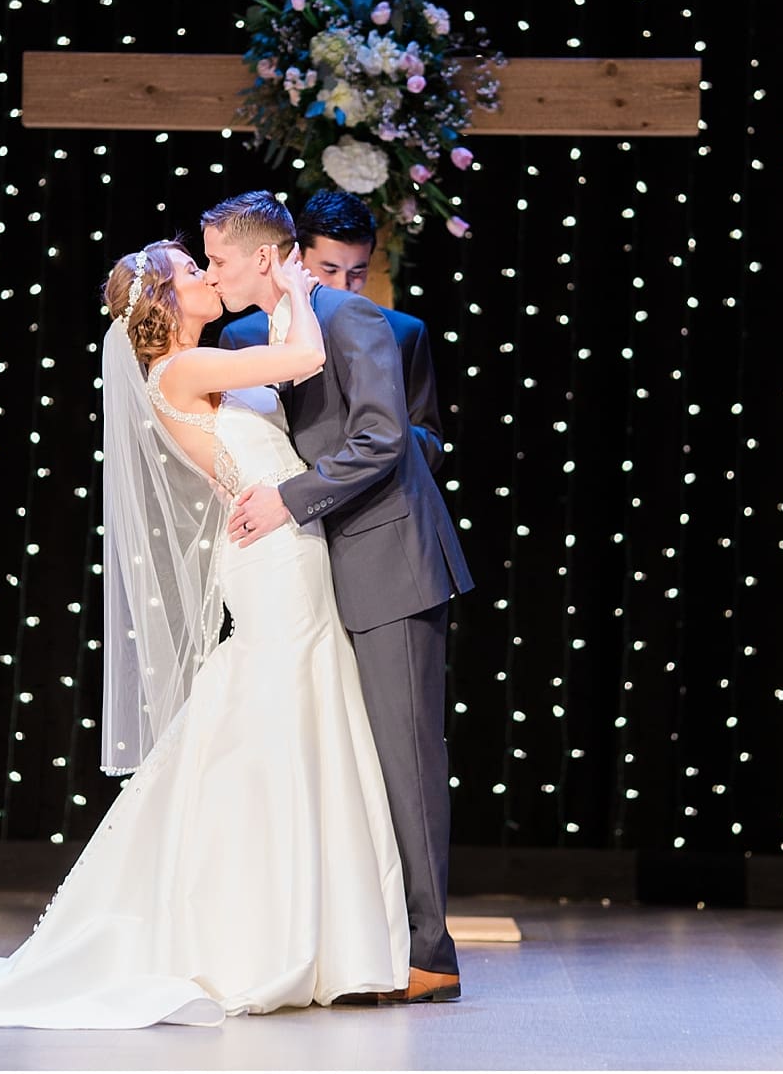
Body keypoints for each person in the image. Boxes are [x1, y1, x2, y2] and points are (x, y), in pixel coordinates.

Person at [0, 238, 410, 1029]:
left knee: (293, 715)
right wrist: (290, 283)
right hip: (271, 559)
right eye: (194, 272)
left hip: (281, 547)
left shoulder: (199, 365)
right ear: (164, 300)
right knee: (284, 717)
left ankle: (313, 927)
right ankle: (266, 931)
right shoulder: (182, 371)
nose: (206, 275)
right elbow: (298, 358)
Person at [207, 191, 474, 1006]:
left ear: (261, 256)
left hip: (388, 558)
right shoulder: (249, 338)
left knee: (403, 757)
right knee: (343, 763)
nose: (211, 271)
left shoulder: (353, 320)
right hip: (312, 573)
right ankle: (365, 937)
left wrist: (290, 496)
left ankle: (430, 951)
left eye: (217, 258)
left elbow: (384, 439)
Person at [218, 189, 445, 475]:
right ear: (298, 258)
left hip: (370, 499)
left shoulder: (404, 332)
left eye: (357, 272)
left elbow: (431, 443)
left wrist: (372, 430)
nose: (343, 285)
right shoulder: (242, 336)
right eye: (330, 269)